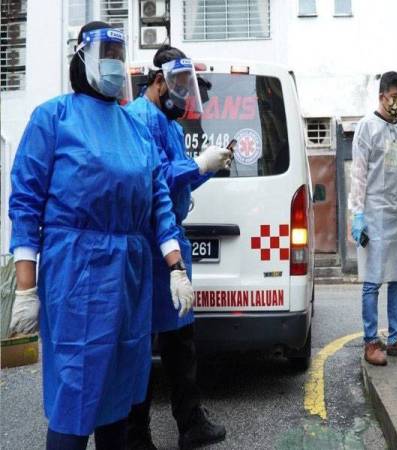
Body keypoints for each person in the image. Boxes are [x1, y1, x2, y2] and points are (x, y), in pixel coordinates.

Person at [7, 22, 195, 450]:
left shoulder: (134, 129)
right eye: (105, 52)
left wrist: (176, 268)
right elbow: (26, 202)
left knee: (119, 394)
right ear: (82, 58)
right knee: (75, 395)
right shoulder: (53, 118)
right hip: (75, 275)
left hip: (129, 279)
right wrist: (25, 287)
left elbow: (159, 203)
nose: (113, 62)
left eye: (118, 52)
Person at [125, 45, 230, 450]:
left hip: (170, 237)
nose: (185, 96)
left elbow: (178, 179)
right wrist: (197, 165)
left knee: (180, 339)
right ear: (158, 82)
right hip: (150, 243)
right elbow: (156, 179)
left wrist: (207, 166)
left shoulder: (167, 122)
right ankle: (136, 436)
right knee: (141, 344)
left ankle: (190, 423)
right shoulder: (139, 119)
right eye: (180, 87)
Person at [348, 71, 397, 366]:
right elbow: (359, 173)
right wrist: (358, 213)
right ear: (381, 96)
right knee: (372, 280)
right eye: (394, 97)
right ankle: (371, 341)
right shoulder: (367, 128)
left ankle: (396, 338)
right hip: (375, 213)